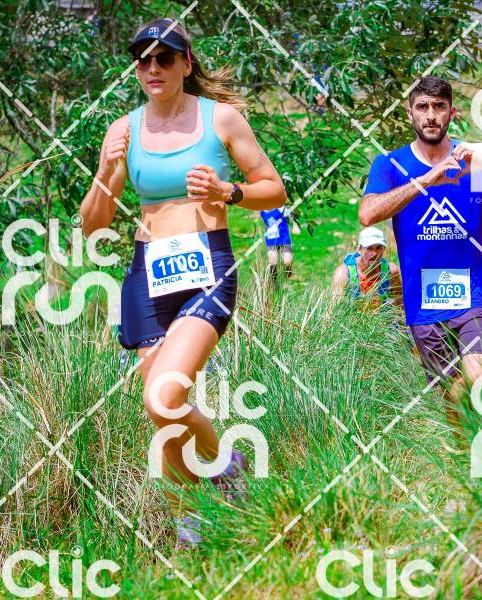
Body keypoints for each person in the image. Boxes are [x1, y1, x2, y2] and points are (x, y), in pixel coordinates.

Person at [78, 18, 286, 545]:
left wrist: (227, 192)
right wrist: (106, 169)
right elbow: (93, 224)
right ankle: (191, 527)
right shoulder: (124, 130)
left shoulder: (221, 119)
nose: (153, 68)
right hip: (147, 276)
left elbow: (274, 189)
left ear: (185, 64)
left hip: (206, 271)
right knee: (163, 416)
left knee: (164, 397)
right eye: (143, 59)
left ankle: (225, 467)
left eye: (164, 58)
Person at [358, 75, 482, 437]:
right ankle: (463, 453)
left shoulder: (475, 158)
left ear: (452, 113)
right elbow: (368, 213)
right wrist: (426, 181)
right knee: (452, 395)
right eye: (422, 107)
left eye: (439, 107)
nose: (431, 115)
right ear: (410, 113)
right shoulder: (390, 165)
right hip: (423, 303)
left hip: (473, 297)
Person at [331, 226, 402, 309]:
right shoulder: (343, 273)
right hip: (353, 316)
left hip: (383, 316)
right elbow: (335, 309)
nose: (374, 254)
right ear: (359, 249)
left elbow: (400, 302)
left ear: (384, 248)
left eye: (378, 247)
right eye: (369, 248)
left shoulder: (390, 271)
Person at [260, 205, 299, 284]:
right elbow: (266, 223)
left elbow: (291, 215)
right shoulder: (263, 211)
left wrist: (295, 226)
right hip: (271, 240)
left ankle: (289, 276)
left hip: (284, 239)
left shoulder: (280, 208)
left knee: (287, 260)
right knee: (272, 260)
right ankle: (274, 282)